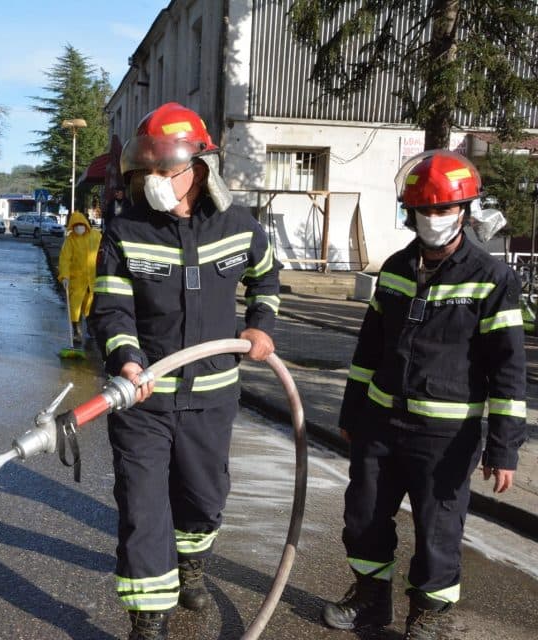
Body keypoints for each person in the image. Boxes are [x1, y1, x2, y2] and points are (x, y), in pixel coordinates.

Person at [89, 102, 280, 640]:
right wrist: (127, 359)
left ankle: (191, 563)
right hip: (143, 400)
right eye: (145, 170)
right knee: (143, 507)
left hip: (212, 398)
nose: (152, 180)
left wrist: (261, 326)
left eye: (164, 169)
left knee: (203, 498)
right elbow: (111, 307)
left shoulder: (239, 226)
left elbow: (266, 278)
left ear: (199, 167)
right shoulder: (125, 231)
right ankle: (149, 618)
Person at [320, 150, 526, 640]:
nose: (433, 218)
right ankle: (370, 600)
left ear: (465, 210)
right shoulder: (394, 268)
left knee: (438, 531)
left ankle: (427, 615)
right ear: (409, 213)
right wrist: (352, 413)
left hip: (446, 435)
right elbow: (368, 349)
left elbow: (508, 370)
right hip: (380, 424)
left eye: (443, 208)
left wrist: (503, 448)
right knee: (364, 516)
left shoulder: (492, 278)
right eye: (424, 210)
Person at [57, 211, 101, 343]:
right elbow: (65, 259)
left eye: (81, 224)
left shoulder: (95, 236)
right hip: (76, 280)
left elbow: (104, 250)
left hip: (93, 279)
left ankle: (92, 329)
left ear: (85, 224)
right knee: (75, 307)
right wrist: (65, 276)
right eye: (76, 225)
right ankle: (76, 331)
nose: (79, 227)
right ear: (72, 226)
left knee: (91, 305)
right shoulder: (70, 240)